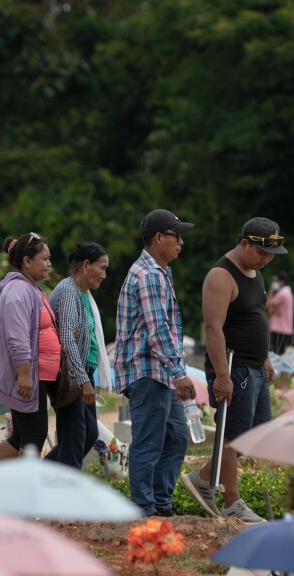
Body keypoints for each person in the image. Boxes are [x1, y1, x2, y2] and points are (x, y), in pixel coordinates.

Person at [180, 217, 287, 524]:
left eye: (271, 255)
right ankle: (232, 502)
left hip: (254, 366)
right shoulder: (220, 276)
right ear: (243, 244)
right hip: (233, 368)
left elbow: (255, 315)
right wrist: (222, 376)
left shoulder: (256, 272)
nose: (266, 260)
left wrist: (265, 357)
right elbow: (213, 328)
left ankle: (203, 477)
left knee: (254, 434)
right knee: (232, 436)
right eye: (261, 253)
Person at [113, 209, 196, 518]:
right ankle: (143, 509)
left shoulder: (159, 272)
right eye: (177, 236)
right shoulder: (148, 275)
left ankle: (161, 504)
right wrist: (179, 372)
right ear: (159, 238)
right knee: (149, 442)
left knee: (176, 437)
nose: (181, 243)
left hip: (158, 371)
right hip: (147, 370)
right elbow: (157, 328)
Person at [0, 233, 60, 462]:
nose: (49, 264)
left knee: (21, 438)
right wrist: (25, 374)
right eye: (44, 259)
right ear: (27, 261)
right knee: (33, 438)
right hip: (29, 376)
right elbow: (17, 338)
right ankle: (27, 495)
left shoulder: (32, 287)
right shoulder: (18, 291)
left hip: (37, 376)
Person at [45, 242, 112, 469]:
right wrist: (83, 380)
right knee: (74, 439)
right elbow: (67, 338)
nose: (104, 275)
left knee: (89, 434)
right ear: (86, 265)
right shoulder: (68, 291)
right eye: (101, 268)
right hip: (71, 375)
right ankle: (64, 498)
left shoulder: (83, 294)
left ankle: (38, 476)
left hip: (83, 372)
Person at [266, 270, 294, 354]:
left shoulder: (283, 293)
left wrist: (271, 289)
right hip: (283, 328)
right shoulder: (287, 292)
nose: (273, 283)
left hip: (279, 328)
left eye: (275, 281)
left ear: (282, 281)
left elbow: (267, 305)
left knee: (277, 353)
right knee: (279, 352)